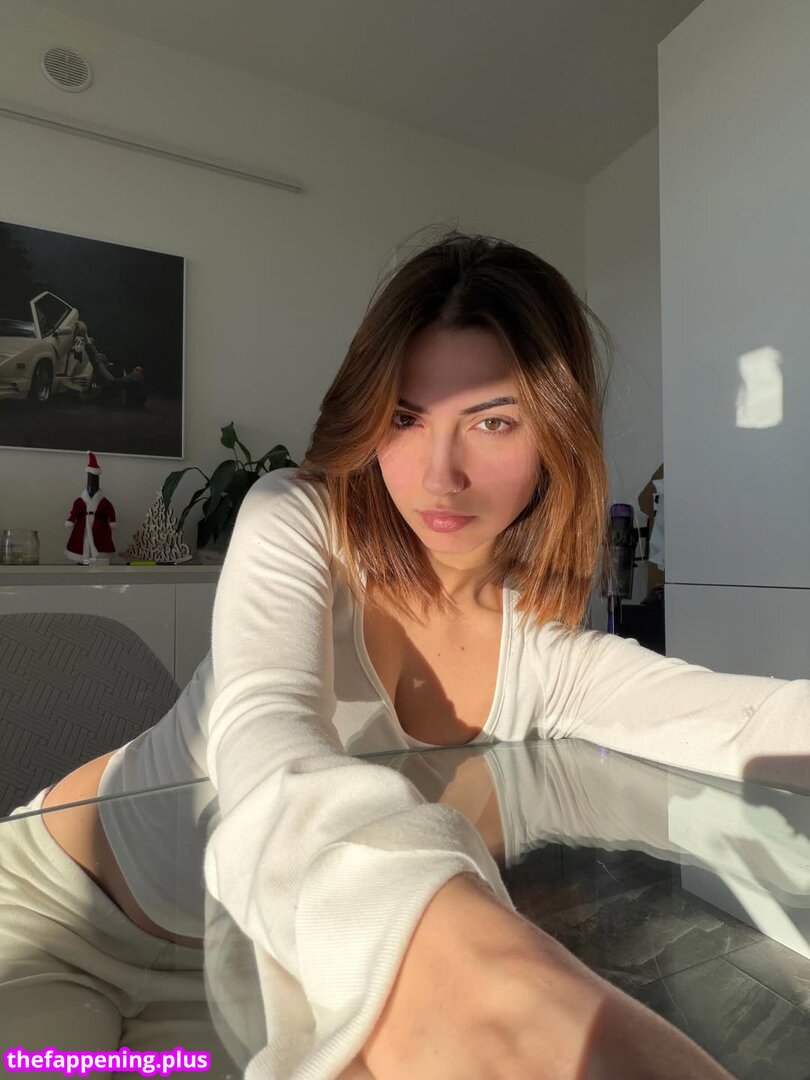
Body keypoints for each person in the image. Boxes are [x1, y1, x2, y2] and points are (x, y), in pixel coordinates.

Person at [8, 230, 809, 1079]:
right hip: (57, 918)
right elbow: (266, 735)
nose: (439, 475)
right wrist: (463, 952)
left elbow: (747, 722)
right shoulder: (298, 519)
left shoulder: (541, 649)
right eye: (404, 418)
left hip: (265, 964)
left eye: (492, 421)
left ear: (555, 437)